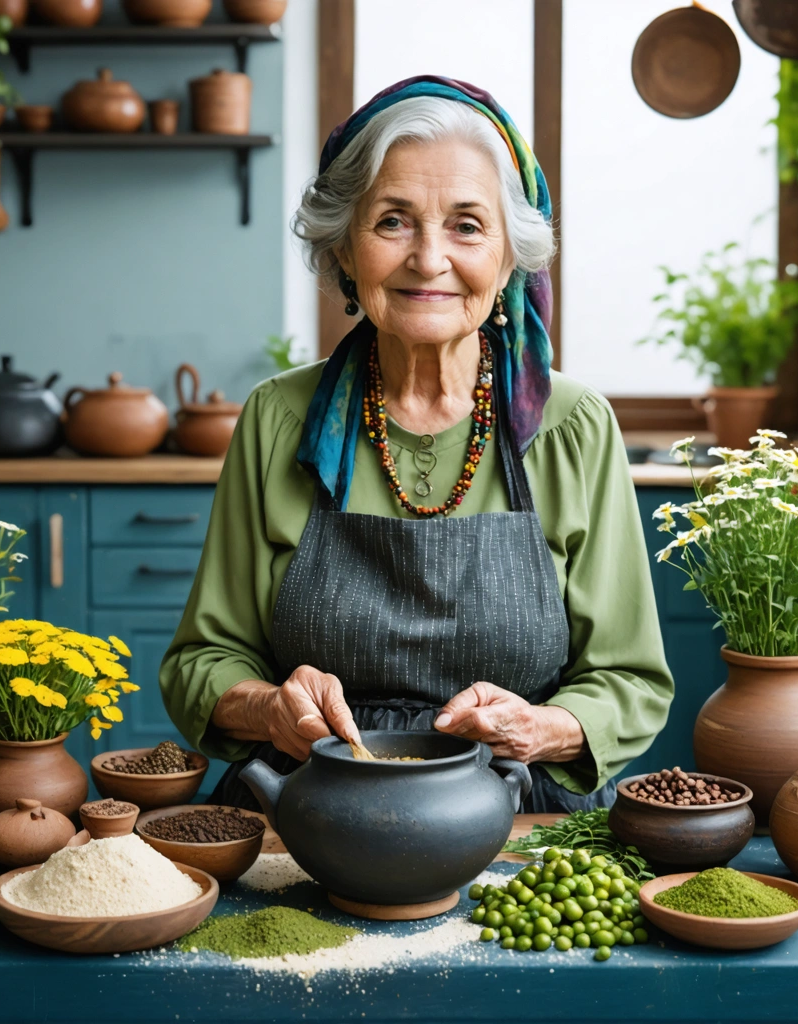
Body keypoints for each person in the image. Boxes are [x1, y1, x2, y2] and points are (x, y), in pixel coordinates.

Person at [160, 76, 673, 812]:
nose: (429, 259)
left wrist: (541, 727)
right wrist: (270, 708)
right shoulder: (278, 417)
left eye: (467, 226)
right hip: (307, 805)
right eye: (393, 221)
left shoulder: (573, 425)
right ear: (344, 248)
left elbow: (630, 681)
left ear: (508, 261)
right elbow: (199, 666)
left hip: (517, 812)